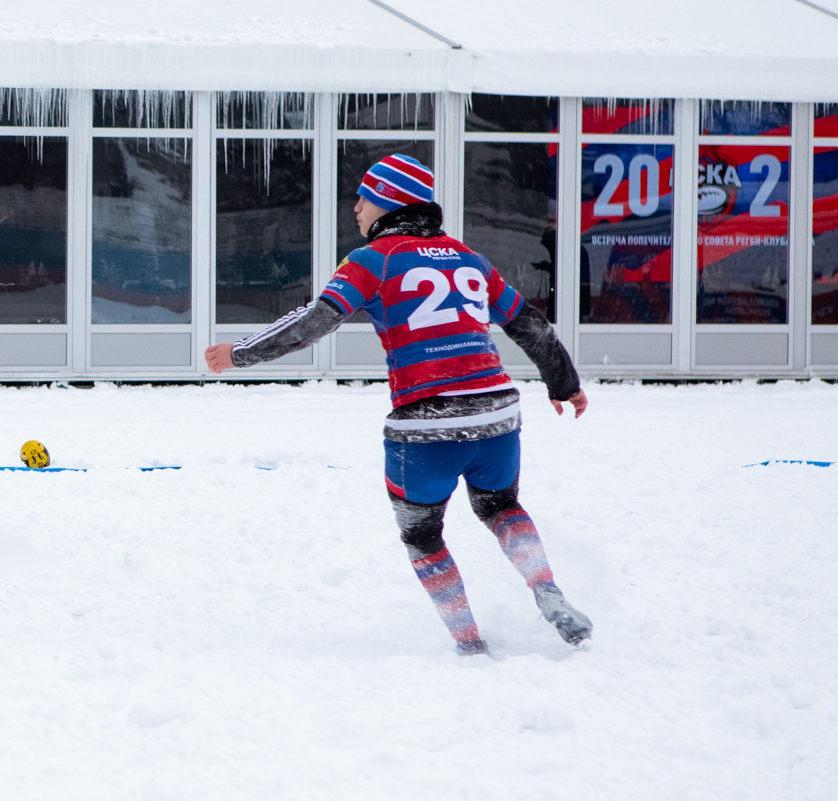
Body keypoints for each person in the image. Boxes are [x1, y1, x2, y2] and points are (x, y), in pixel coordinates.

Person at [203, 153, 593, 656]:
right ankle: (547, 590)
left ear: (388, 201)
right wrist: (564, 384)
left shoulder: (373, 260)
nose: (357, 210)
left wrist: (239, 353)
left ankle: (470, 644)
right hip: (497, 416)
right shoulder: (469, 258)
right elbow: (531, 324)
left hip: (424, 426)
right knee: (501, 506)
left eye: (363, 198)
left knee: (423, 536)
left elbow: (315, 320)